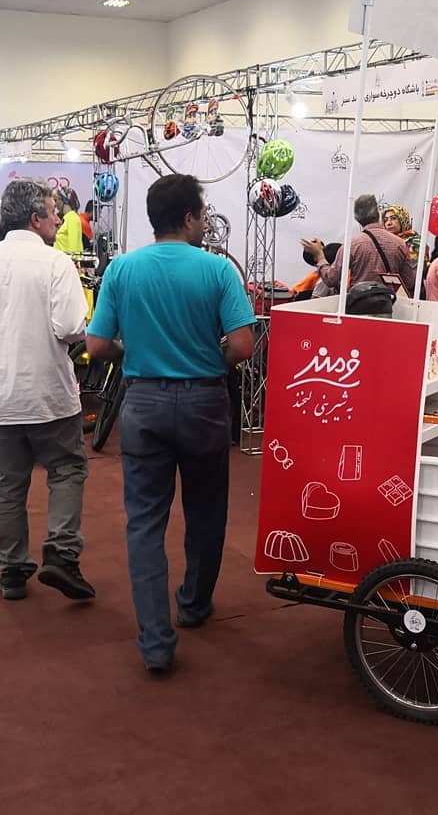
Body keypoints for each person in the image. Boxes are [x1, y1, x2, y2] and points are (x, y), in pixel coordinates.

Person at [85, 173, 255, 674]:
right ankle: (194, 604)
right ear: (188, 218)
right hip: (204, 402)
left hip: (144, 404)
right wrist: (210, 362)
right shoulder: (217, 270)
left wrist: (131, 354)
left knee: (144, 524)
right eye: (202, 215)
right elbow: (243, 346)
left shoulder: (122, 269)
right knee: (206, 513)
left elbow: (96, 345)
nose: (204, 223)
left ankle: (156, 642)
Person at [0, 180, 95, 603]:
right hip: (49, 394)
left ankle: (12, 568)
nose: (59, 219)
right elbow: (71, 327)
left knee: (8, 482)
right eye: (53, 211)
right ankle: (62, 554)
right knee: (66, 470)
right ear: (35, 218)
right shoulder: (56, 263)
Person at [303, 195, 415, 296]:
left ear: (357, 219)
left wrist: (320, 256)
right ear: (378, 214)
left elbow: (331, 279)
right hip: (389, 304)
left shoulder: (351, 245)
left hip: (360, 304)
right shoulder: (400, 243)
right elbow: (409, 282)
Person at [53, 187, 84, 255]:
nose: (54, 204)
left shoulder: (72, 218)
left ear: (63, 200)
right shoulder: (67, 218)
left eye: (55, 200)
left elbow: (75, 249)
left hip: (66, 261)